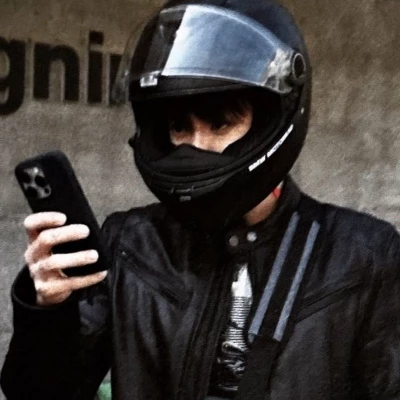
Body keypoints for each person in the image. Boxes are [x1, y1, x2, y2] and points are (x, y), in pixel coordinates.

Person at [1, 0, 400, 399]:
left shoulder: (362, 256)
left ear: (270, 118)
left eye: (220, 123)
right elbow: (41, 394)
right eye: (179, 127)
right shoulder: (132, 244)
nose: (195, 146)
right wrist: (49, 312)